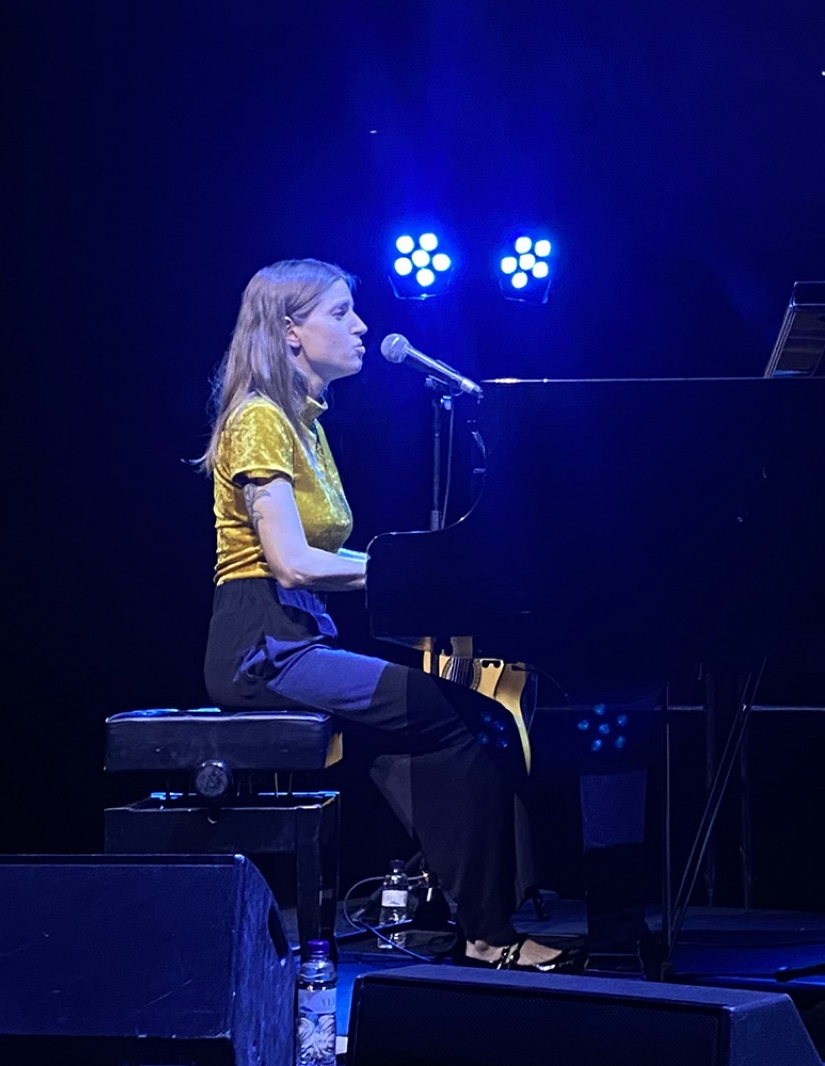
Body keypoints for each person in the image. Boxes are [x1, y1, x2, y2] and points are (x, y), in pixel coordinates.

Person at [196, 257, 573, 971]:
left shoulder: (304, 424)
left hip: (302, 635)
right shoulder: (259, 419)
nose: (363, 326)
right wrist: (408, 572)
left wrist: (428, 581)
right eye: (341, 313)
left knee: (457, 717)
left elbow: (322, 562)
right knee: (460, 715)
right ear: (290, 331)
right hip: (262, 646)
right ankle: (487, 935)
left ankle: (453, 910)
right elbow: (291, 563)